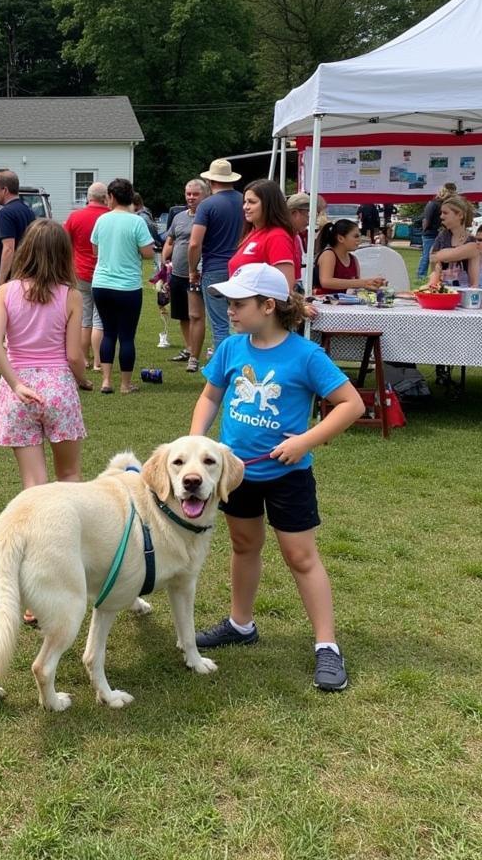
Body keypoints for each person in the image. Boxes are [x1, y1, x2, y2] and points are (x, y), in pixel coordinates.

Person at [190, 262, 365, 692]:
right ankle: (241, 624)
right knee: (243, 545)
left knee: (300, 557)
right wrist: (194, 446)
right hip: (236, 475)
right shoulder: (232, 348)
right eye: (228, 303)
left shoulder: (306, 355)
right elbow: (210, 395)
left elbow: (351, 404)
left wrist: (306, 440)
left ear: (268, 305)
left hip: (288, 477)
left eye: (238, 304)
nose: (230, 311)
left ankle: (327, 646)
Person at [0, 218, 86, 488]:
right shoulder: (71, 295)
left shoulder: (5, 292)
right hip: (59, 387)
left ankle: (37, 530)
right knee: (69, 475)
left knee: (34, 482)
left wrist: (16, 384)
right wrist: (84, 379)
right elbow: (74, 355)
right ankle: (69, 529)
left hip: (18, 388)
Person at [90, 178, 155, 394]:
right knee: (126, 336)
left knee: (108, 333)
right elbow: (147, 253)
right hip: (127, 286)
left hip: (101, 284)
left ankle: (106, 381)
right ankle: (126, 385)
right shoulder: (137, 222)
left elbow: (95, 251)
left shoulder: (102, 220)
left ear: (112, 196)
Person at [189, 160, 245, 352]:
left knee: (220, 324)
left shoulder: (207, 205)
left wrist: (192, 269)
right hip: (242, 267)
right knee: (244, 322)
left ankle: (223, 371)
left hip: (214, 267)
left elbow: (195, 243)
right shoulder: (245, 202)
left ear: (211, 181)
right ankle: (245, 364)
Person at [62, 181, 109, 375]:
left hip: (79, 272)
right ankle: (99, 360)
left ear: (88, 197)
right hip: (104, 273)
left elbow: (64, 242)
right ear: (106, 197)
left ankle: (84, 357)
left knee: (83, 318)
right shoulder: (109, 216)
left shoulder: (75, 216)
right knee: (100, 319)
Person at [163, 178, 207, 372]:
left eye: (195, 194)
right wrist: (165, 261)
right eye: (188, 194)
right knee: (182, 315)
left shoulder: (207, 216)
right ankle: (189, 349)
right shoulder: (179, 217)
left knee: (197, 315)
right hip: (178, 274)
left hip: (198, 274)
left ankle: (198, 354)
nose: (191, 197)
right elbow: (170, 239)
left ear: (205, 195)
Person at [228, 179, 298, 292]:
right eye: (245, 202)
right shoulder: (252, 232)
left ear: (268, 204)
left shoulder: (277, 237)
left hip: (260, 307)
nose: (245, 207)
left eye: (252, 202)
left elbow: (285, 287)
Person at [0, 170, 35, 308]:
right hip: (23, 273)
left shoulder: (6, 213)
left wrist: (1, 281)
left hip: (7, 276)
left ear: (5, 189)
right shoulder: (28, 211)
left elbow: (8, 248)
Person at [314, 219, 387, 295]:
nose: (359, 240)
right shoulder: (329, 255)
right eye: (356, 236)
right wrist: (363, 282)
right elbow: (326, 282)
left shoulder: (353, 259)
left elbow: (355, 285)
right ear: (340, 238)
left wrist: (370, 285)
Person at [430, 195, 480, 288]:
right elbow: (434, 265)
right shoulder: (442, 238)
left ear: (460, 215)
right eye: (441, 213)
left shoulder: (472, 241)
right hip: (443, 293)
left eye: (445, 213)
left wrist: (442, 255)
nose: (441, 216)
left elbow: (474, 282)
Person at [285, 191, 327, 283]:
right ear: (294, 213)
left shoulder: (296, 236)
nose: (309, 221)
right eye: (308, 216)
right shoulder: (282, 238)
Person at [417, 182, 456, 280]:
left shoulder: (436, 204)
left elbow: (427, 219)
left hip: (435, 232)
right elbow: (427, 219)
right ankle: (421, 275)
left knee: (432, 256)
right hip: (431, 233)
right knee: (427, 256)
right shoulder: (435, 204)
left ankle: (428, 275)